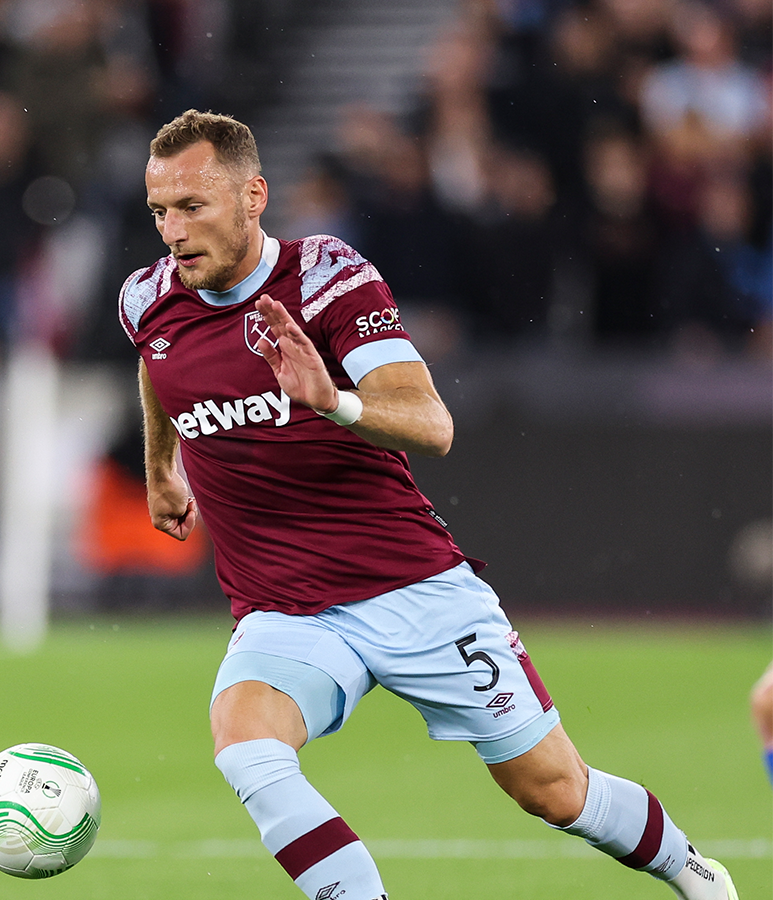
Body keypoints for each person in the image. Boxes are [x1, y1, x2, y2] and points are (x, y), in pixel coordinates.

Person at [121, 109, 736, 900]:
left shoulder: (328, 280)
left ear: (253, 197)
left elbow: (431, 424)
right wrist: (160, 467)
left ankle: (692, 870)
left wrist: (331, 401)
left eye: (192, 207)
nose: (172, 231)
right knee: (245, 745)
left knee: (556, 791)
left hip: (410, 589)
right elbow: (155, 368)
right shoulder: (147, 300)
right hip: (284, 610)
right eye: (159, 211)